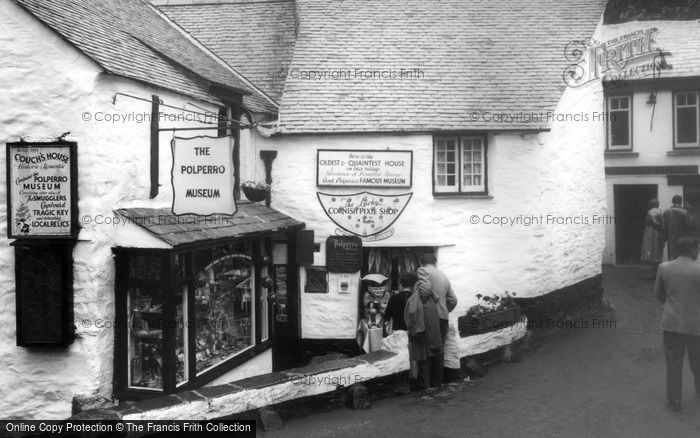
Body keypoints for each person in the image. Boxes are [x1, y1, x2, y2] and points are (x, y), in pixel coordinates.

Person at [654, 235, 700, 412]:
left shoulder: (664, 268)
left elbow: (658, 294)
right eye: (697, 248)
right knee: (698, 360)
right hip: (696, 325)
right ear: (690, 250)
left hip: (672, 323)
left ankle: (674, 400)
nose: (698, 252)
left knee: (673, 362)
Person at [416, 253, 458, 386]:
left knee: (427, 348)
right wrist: (444, 309)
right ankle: (437, 382)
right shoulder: (443, 276)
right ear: (435, 263)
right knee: (439, 349)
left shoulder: (422, 270)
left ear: (422, 263)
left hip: (429, 316)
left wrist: (422, 305)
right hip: (443, 317)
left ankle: (426, 384)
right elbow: (453, 300)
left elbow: (426, 289)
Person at [404, 276, 442, 389]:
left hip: (422, 334)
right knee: (430, 358)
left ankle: (425, 385)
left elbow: (412, 316)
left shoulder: (416, 299)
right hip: (432, 335)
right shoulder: (430, 301)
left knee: (423, 358)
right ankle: (431, 384)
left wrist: (415, 331)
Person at [661, 195, 693, 260]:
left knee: (672, 257)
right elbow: (689, 225)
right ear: (681, 201)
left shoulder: (667, 212)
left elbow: (664, 227)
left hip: (671, 239)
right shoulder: (685, 212)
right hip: (683, 239)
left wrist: (663, 239)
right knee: (682, 257)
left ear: (672, 201)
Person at [641, 198, 663, 277]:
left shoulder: (649, 212)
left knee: (652, 252)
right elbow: (661, 223)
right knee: (657, 252)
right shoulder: (659, 212)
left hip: (650, 233)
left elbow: (647, 222)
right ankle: (656, 273)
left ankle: (654, 273)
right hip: (657, 233)